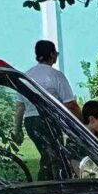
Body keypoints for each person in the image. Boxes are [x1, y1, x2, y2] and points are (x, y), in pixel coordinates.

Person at [14, 40, 81, 179]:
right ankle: (50, 185)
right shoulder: (55, 76)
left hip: (30, 122)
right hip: (48, 121)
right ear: (51, 54)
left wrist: (18, 129)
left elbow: (20, 106)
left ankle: (51, 182)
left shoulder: (25, 76)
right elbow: (71, 105)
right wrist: (82, 123)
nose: (56, 56)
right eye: (56, 53)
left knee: (48, 155)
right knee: (54, 157)